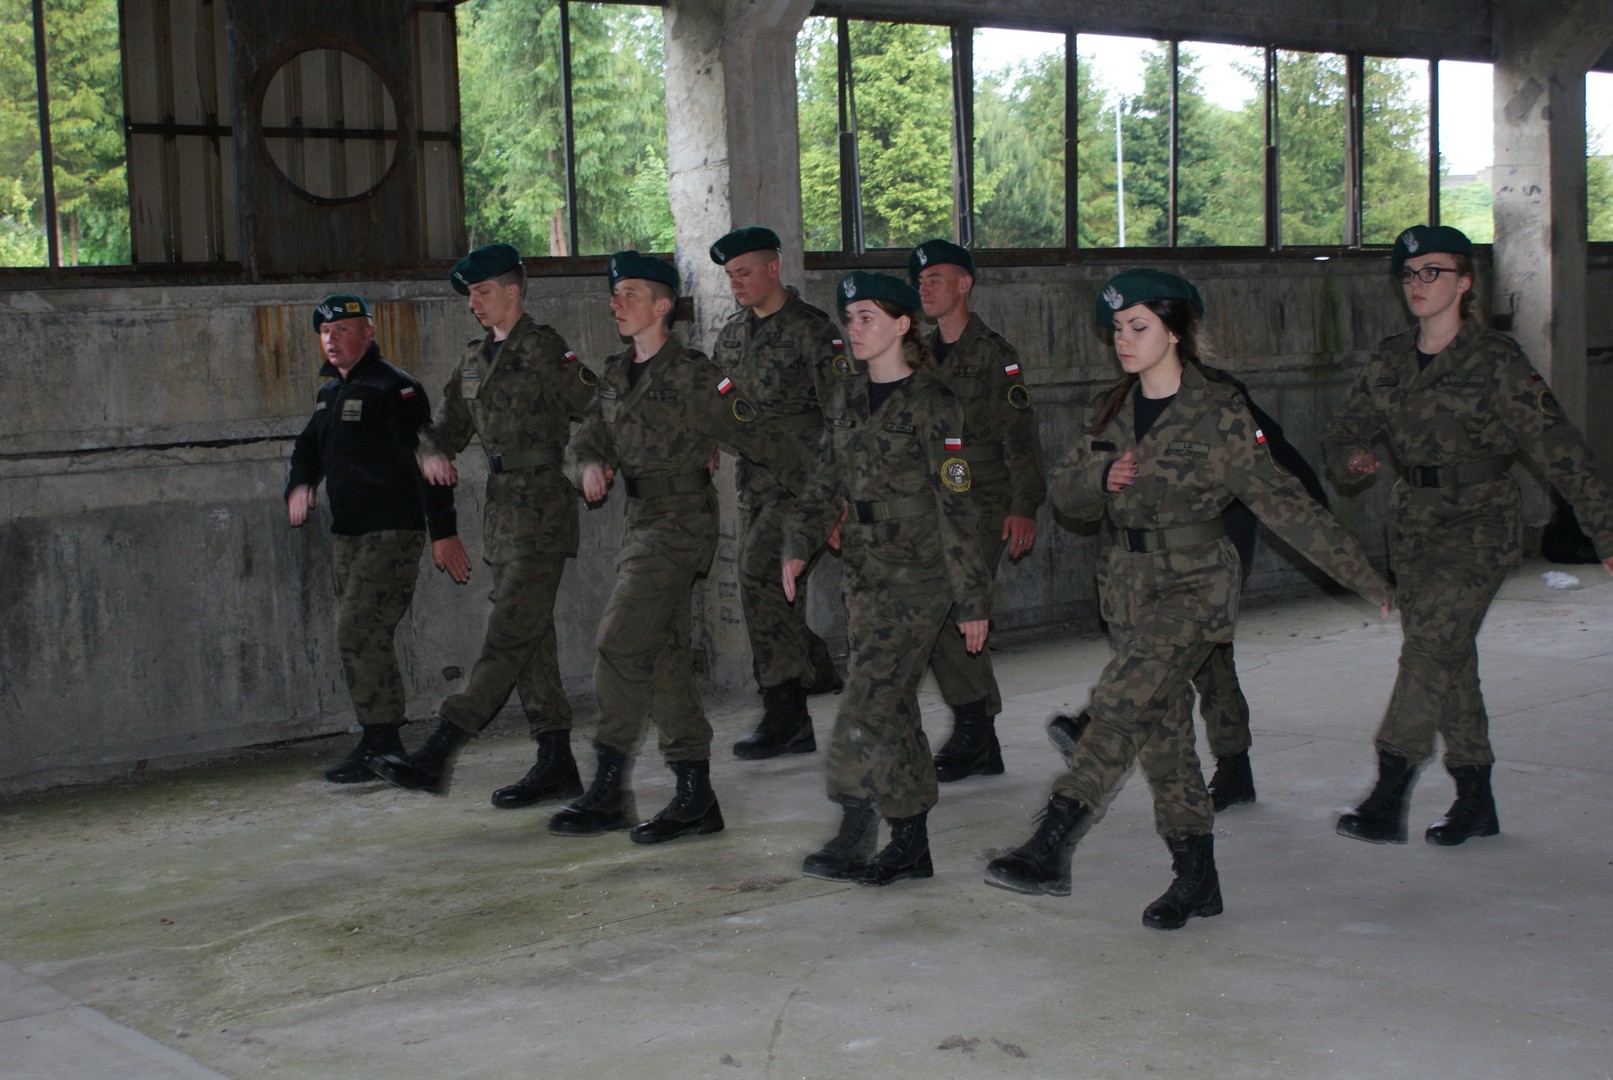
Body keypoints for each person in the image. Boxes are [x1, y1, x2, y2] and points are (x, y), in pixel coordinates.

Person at [984, 269, 1390, 929]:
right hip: (1127, 586)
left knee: (1119, 703)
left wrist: (1362, 575)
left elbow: (1281, 500)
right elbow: (1067, 495)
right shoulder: (1109, 408)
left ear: (1174, 331)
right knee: (1164, 738)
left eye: (1138, 326)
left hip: (1196, 582)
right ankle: (1196, 879)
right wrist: (1100, 477)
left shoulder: (1219, 409)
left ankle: (1051, 843)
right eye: (1117, 328)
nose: (1123, 339)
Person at [1323, 224, 1613, 847]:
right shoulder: (1391, 359)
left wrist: (1606, 533)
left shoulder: (1496, 361)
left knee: (1429, 650)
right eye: (1409, 274)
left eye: (1433, 271)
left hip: (1479, 522)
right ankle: (1475, 799)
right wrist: (1352, 458)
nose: (1418, 284)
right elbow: (1344, 429)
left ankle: (1389, 790)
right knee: (1448, 656)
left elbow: (1561, 449)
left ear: (1464, 282)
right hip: (1413, 524)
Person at [551, 251, 811, 844]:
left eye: (631, 294)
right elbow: (586, 440)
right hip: (640, 522)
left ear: (663, 305)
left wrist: (825, 501)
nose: (618, 304)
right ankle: (696, 797)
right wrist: (587, 466)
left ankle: (609, 789)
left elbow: (762, 437)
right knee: (665, 654)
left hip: (682, 523)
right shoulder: (616, 375)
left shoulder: (694, 374)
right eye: (615, 294)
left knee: (618, 639)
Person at [782, 271, 991, 886]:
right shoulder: (845, 399)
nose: (854, 328)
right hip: (865, 573)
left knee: (866, 701)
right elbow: (824, 484)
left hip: (920, 576)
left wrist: (972, 598)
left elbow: (957, 505)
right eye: (850, 318)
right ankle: (911, 843)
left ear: (902, 325)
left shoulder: (933, 403)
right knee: (893, 703)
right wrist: (797, 546)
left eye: (867, 317)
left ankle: (855, 827)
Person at [369, 244, 598, 806]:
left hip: (544, 509)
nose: (473, 302)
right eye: (470, 295)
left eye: (482, 291)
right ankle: (556, 760)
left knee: (508, 634)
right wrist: (430, 455)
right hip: (501, 515)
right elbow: (441, 428)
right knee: (531, 639)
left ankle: (439, 750)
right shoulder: (473, 359)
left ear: (512, 290)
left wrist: (591, 459)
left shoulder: (545, 348)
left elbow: (599, 404)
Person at [1046, 368, 1331, 815]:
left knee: (1205, 660)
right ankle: (1225, 767)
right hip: (1153, 559)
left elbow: (1279, 453)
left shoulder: (1218, 392)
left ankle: (1107, 727)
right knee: (1163, 650)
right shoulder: (1128, 397)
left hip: (1215, 543)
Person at [285, 295, 472, 783]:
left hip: (391, 531)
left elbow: (428, 457)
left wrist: (443, 532)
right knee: (362, 634)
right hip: (348, 535)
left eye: (343, 330)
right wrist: (300, 484)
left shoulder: (395, 388)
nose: (332, 340)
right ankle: (378, 737)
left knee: (358, 629)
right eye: (325, 332)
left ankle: (382, 742)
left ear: (368, 333)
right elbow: (308, 447)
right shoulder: (331, 393)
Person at [708, 226, 854, 761]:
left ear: (773, 268)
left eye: (744, 272)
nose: (736, 283)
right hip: (755, 482)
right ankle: (812, 669)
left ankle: (786, 712)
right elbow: (718, 400)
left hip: (803, 482)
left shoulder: (812, 330)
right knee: (780, 588)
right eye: (730, 275)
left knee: (758, 575)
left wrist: (836, 494)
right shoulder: (731, 335)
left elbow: (842, 412)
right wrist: (706, 439)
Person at [908, 240, 1045, 782]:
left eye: (936, 279)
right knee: (941, 609)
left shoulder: (993, 352)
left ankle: (974, 728)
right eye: (921, 282)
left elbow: (1021, 434)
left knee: (957, 606)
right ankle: (980, 736)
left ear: (964, 284)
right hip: (933, 498)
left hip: (983, 497)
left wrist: (1024, 504)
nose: (925, 289)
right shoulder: (919, 352)